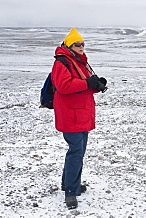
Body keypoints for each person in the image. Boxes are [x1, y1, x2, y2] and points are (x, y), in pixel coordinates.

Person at [50, 28, 107, 209]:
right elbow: (64, 86)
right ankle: (70, 193)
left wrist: (97, 85)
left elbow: (85, 84)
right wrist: (87, 83)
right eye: (77, 44)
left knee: (77, 152)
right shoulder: (62, 63)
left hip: (81, 113)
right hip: (70, 114)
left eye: (83, 44)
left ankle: (68, 184)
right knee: (76, 152)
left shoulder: (80, 62)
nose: (81, 47)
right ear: (69, 45)